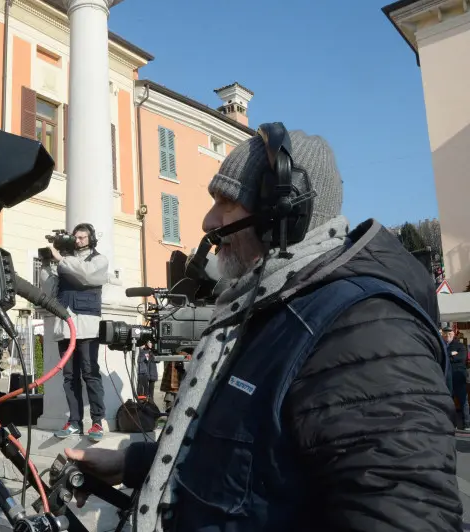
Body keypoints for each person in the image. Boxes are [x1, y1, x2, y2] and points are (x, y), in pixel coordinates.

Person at [65, 126, 462, 530]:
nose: (208, 221)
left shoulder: (365, 330)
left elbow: (404, 517)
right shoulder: (267, 309)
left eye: (227, 203)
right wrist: (131, 463)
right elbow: (242, 457)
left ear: (283, 211)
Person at [40, 223, 109, 442]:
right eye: (75, 237)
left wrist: (61, 259)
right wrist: (46, 265)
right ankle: (74, 422)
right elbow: (48, 290)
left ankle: (97, 421)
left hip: (87, 326)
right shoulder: (64, 262)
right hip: (65, 326)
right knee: (69, 376)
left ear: (91, 239)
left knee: (90, 373)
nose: (78, 241)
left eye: (82, 237)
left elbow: (87, 275)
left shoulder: (99, 260)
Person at [445, 326, 469, 430]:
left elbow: (461, 358)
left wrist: (447, 356)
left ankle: (467, 424)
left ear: (453, 334)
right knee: (448, 401)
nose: (447, 335)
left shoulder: (460, 345)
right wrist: (451, 354)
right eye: (445, 334)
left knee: (463, 400)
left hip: (458, 377)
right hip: (446, 378)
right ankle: (451, 424)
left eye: (449, 333)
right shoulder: (442, 345)